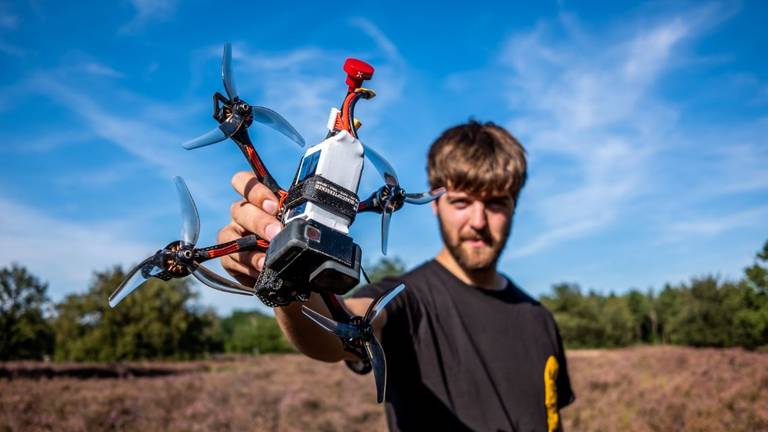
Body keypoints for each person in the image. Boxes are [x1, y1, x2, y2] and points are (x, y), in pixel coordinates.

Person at [217, 120, 575, 431]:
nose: (478, 222)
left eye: (496, 203)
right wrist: (288, 275)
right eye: (462, 202)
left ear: (514, 207)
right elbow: (339, 329)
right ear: (434, 203)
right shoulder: (404, 299)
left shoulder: (539, 319)